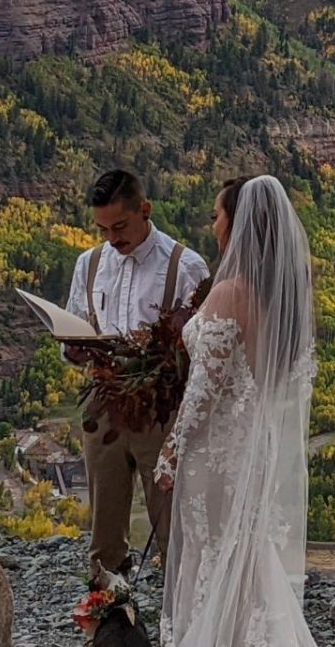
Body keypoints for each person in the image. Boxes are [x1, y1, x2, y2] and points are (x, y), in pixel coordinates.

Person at [154, 175, 319, 647]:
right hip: (255, 442)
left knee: (210, 553)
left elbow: (206, 388)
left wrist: (172, 449)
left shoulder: (230, 294)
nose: (213, 226)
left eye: (217, 215)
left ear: (240, 222)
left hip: (217, 450)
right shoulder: (282, 296)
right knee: (244, 554)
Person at [63, 168, 210, 573]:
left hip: (160, 412)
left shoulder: (185, 266)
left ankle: (180, 623)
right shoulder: (89, 264)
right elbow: (76, 323)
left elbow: (202, 349)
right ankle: (107, 623)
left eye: (120, 226)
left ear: (145, 210)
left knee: (170, 522)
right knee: (104, 529)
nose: (112, 238)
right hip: (102, 404)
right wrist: (73, 349)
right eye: (103, 228)